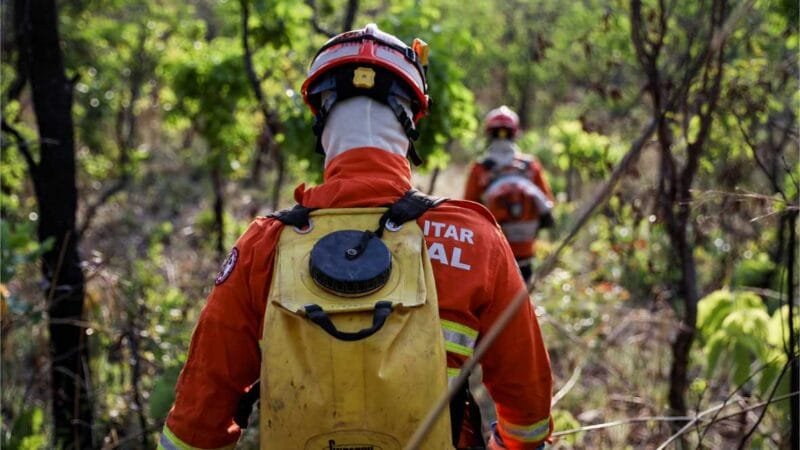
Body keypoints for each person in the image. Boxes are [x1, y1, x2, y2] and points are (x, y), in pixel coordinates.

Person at [159, 24, 552, 450]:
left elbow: (195, 427)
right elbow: (527, 417)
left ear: (320, 116)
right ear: (411, 120)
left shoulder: (263, 246)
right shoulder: (474, 239)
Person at [464, 106, 555, 283]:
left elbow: (469, 210)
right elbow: (548, 204)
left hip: (493, 251)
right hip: (526, 251)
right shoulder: (530, 166)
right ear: (515, 132)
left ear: (489, 133)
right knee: (522, 301)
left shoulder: (480, 169)